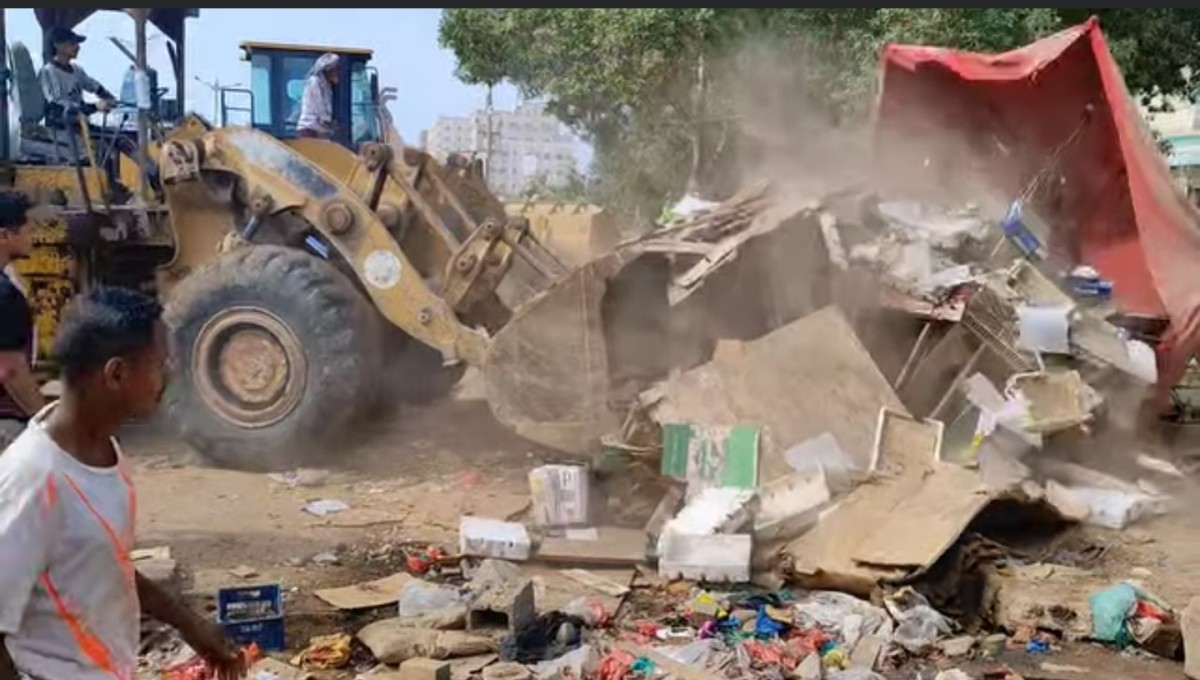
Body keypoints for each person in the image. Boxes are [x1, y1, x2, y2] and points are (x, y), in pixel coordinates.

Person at [0, 286, 249, 680]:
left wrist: (193, 626)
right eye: (159, 363)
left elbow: (105, 564)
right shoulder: (33, 479)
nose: (168, 375)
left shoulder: (105, 453)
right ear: (116, 374)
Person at [0, 193, 46, 450]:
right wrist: (43, 423)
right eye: (27, 231)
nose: (33, 238)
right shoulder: (5, 295)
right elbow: (10, 370)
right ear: (5, 236)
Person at [37, 27, 118, 128]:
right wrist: (95, 107)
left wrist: (110, 99)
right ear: (57, 45)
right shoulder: (48, 72)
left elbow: (94, 86)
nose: (78, 47)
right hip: (61, 129)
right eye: (72, 43)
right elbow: (57, 106)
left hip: (80, 126)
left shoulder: (77, 70)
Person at [296, 53, 340, 139]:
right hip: (310, 129)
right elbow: (319, 105)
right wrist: (329, 122)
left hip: (320, 129)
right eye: (336, 69)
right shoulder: (315, 82)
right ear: (328, 70)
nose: (338, 72)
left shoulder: (327, 86)